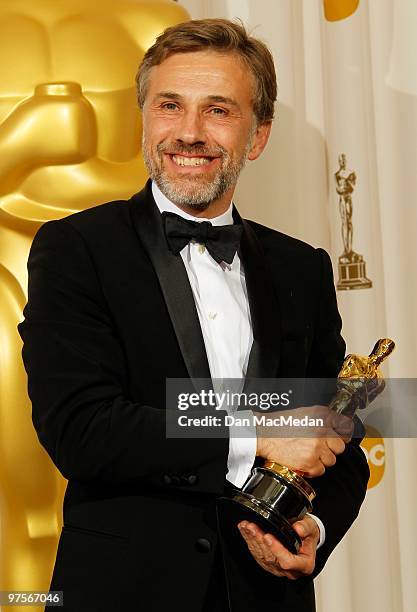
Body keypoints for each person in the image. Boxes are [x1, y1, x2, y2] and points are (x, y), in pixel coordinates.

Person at [18, 18, 369, 612]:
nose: (188, 132)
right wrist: (258, 434)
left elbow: (336, 435)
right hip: (123, 592)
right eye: (170, 106)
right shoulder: (76, 249)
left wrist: (317, 530)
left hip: (268, 595)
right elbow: (82, 430)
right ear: (145, 119)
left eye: (219, 111)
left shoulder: (301, 268)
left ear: (256, 136)